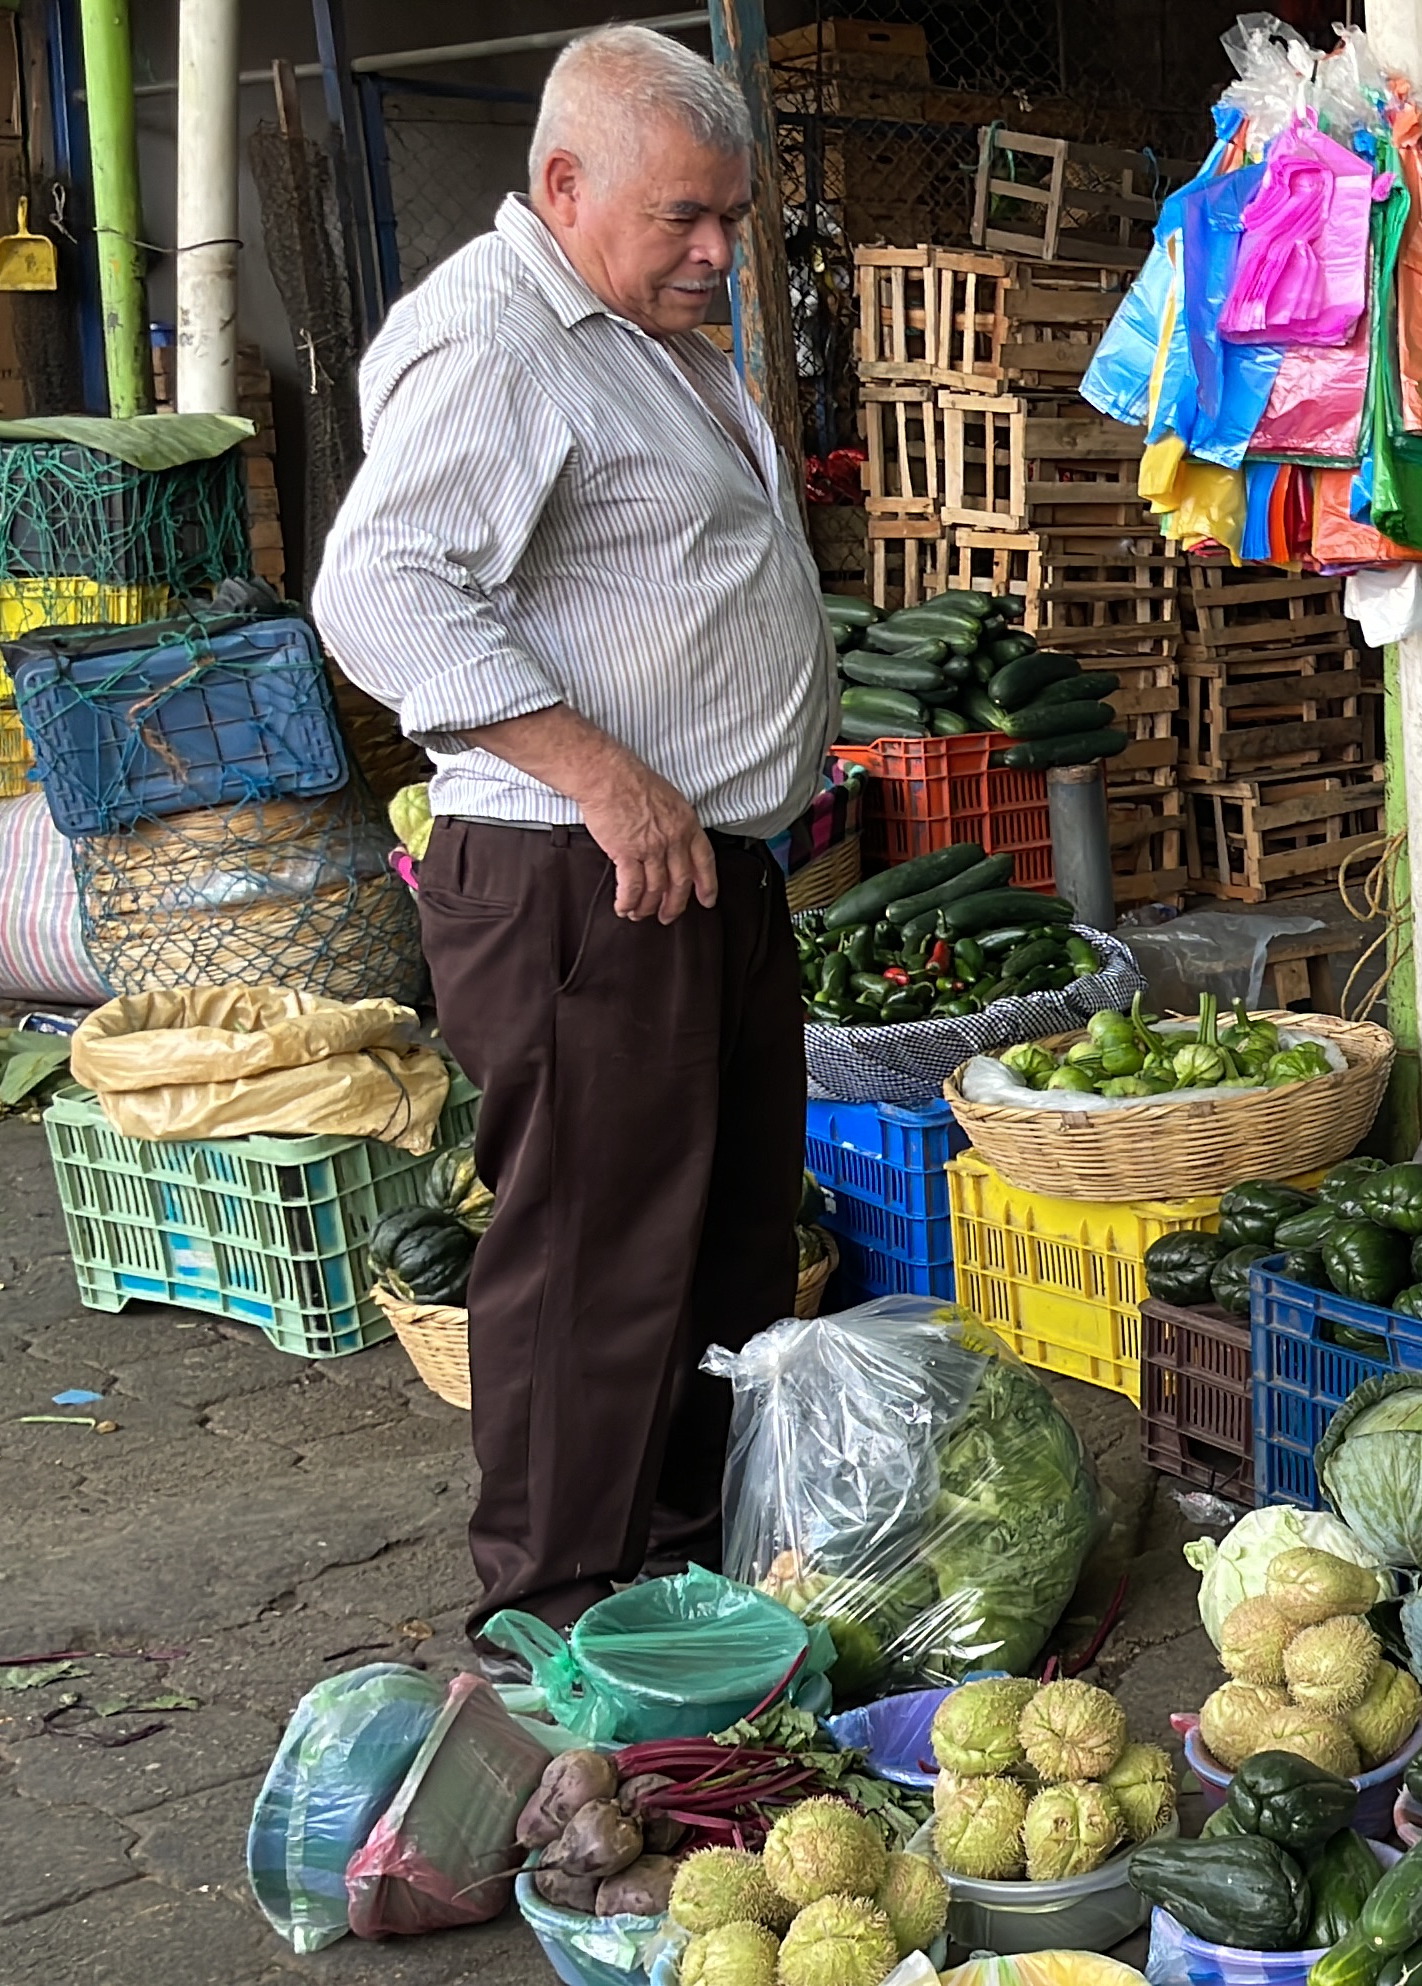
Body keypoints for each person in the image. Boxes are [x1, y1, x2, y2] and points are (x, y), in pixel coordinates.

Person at [312, 25, 830, 1678]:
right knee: (595, 1260)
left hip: (703, 869)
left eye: (732, 219)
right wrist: (608, 778)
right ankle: (547, 1620)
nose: (717, 252)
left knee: (722, 1242)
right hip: (581, 877)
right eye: (688, 216)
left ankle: (674, 1578)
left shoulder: (635, 329)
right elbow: (377, 588)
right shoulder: (505, 343)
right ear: (563, 185)